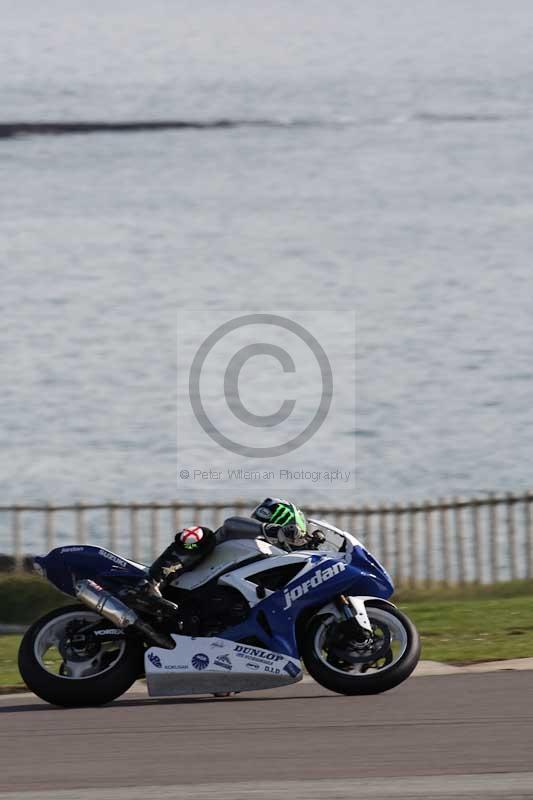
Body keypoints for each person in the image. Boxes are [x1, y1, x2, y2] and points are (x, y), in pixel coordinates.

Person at [147, 498, 322, 589]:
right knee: (201, 535)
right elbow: (230, 524)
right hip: (190, 583)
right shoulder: (244, 538)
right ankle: (151, 583)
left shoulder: (298, 561)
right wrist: (271, 530)